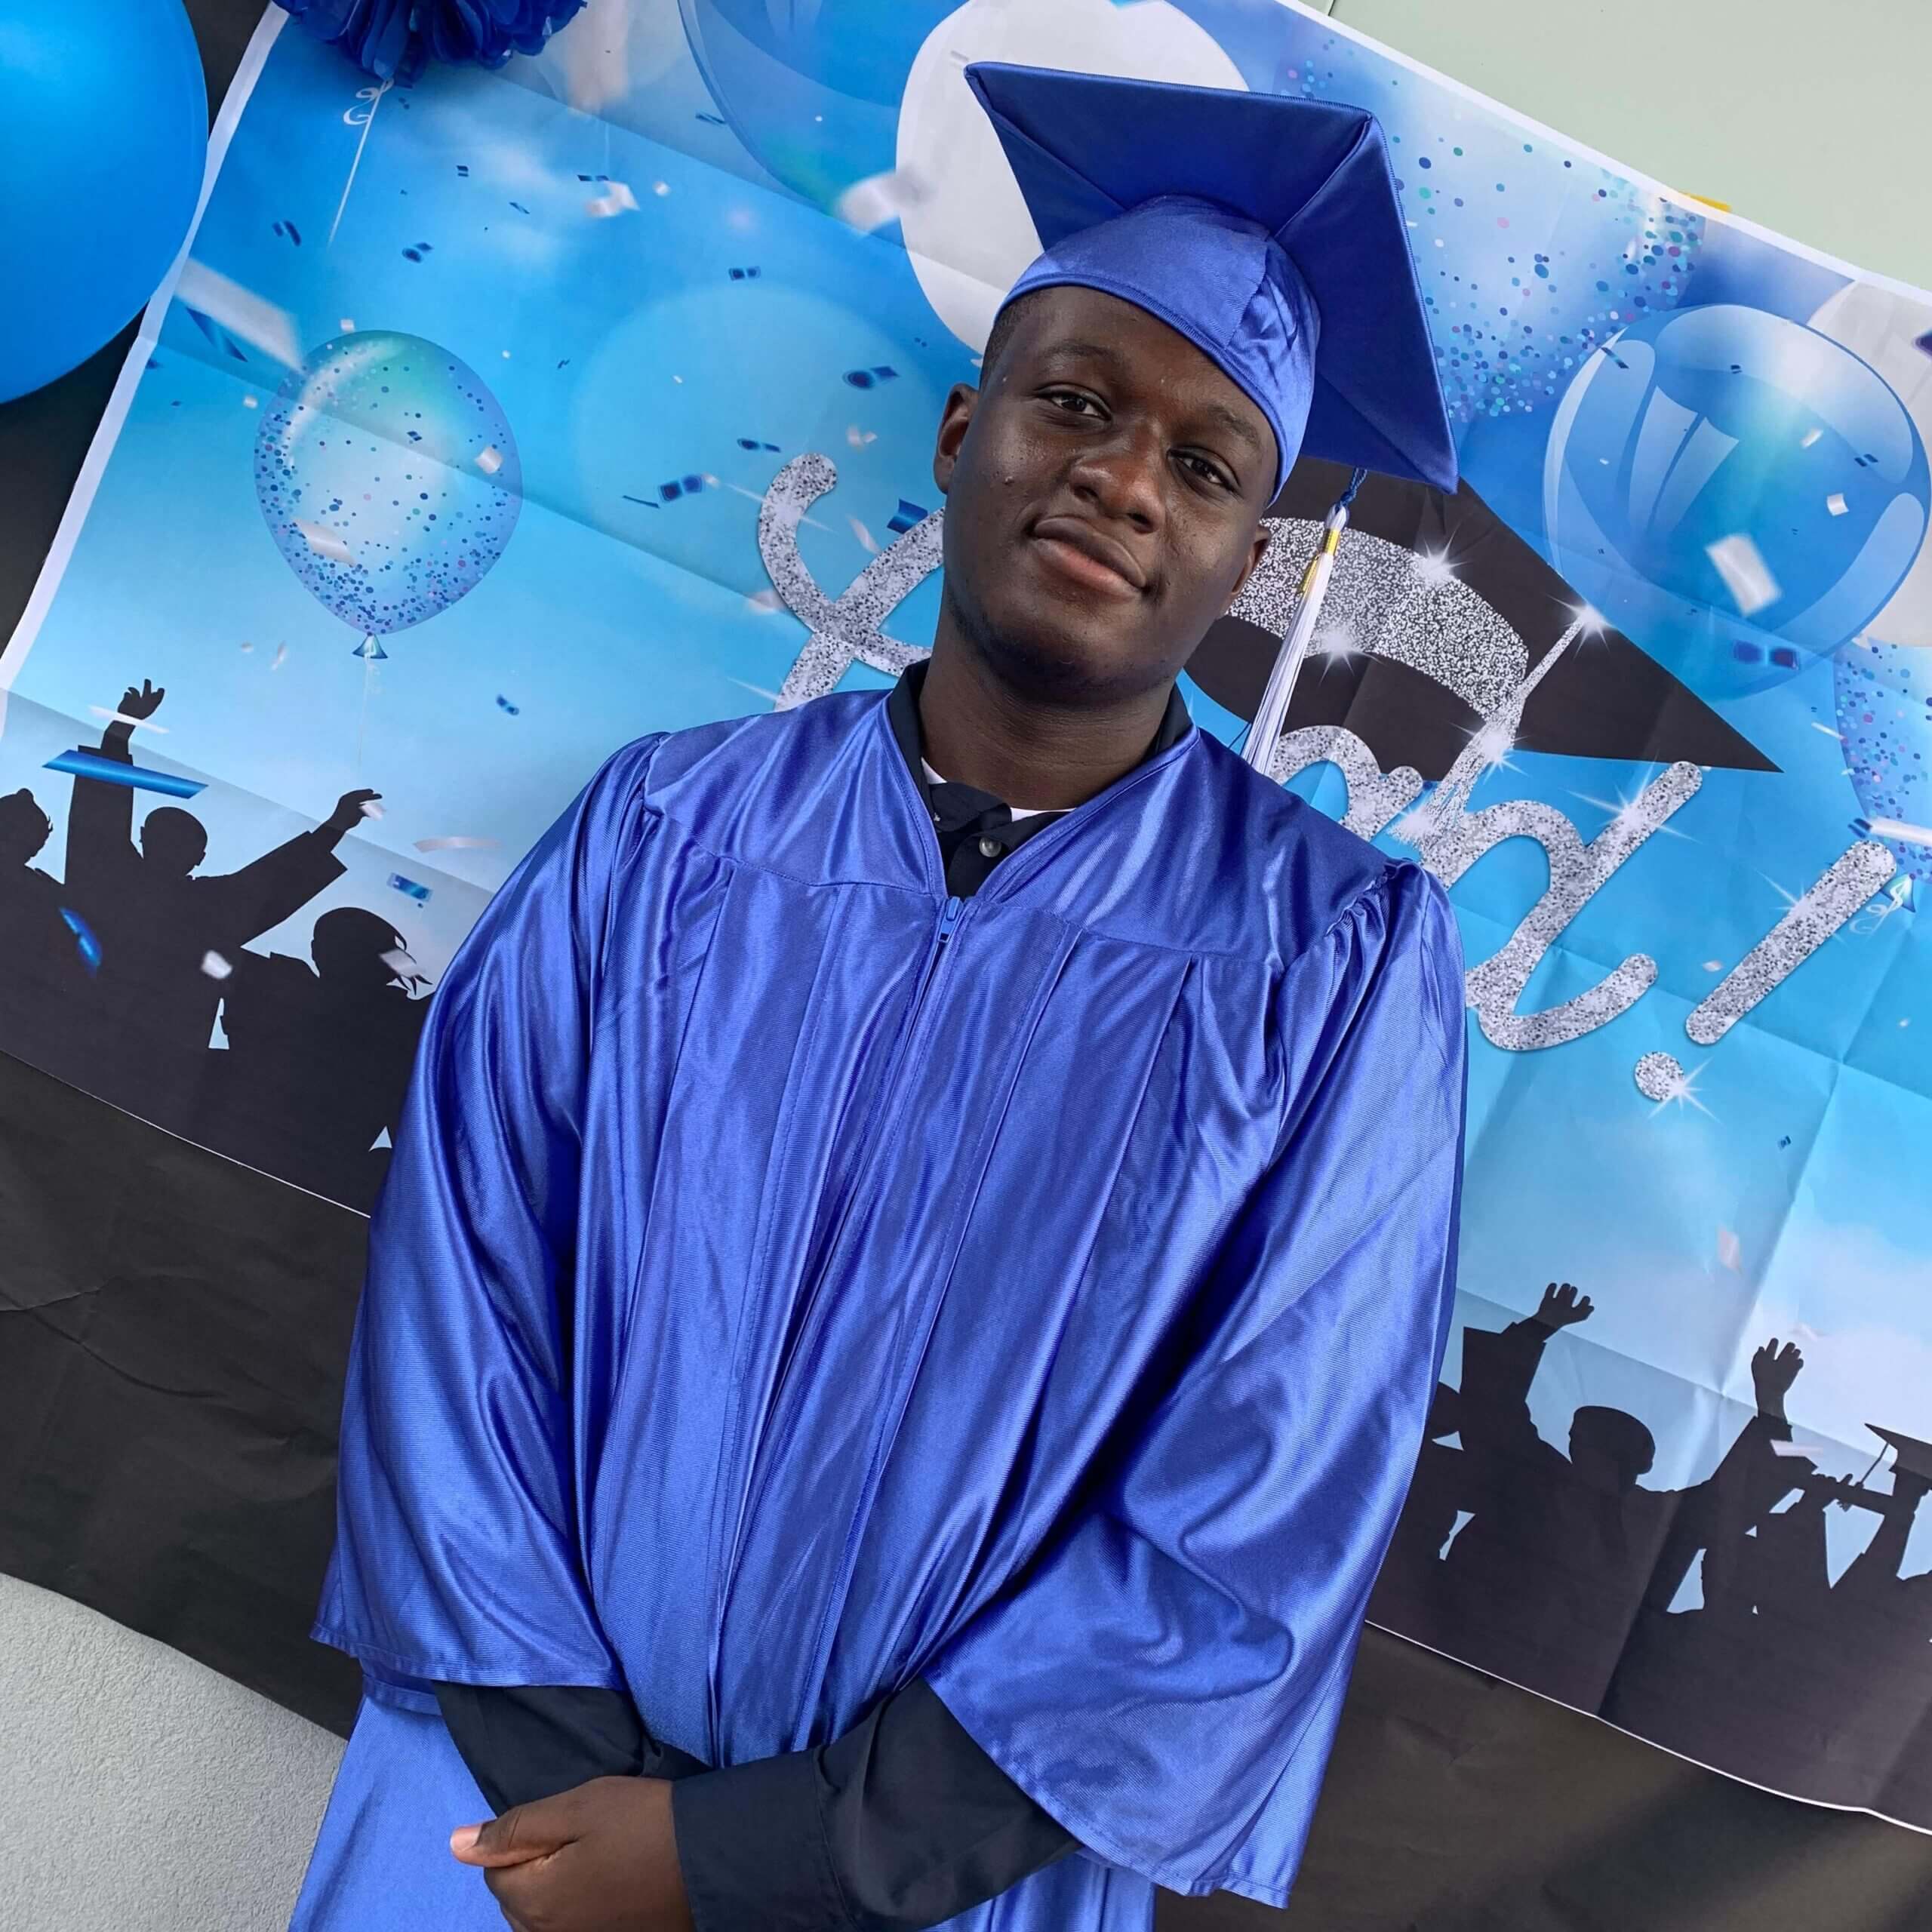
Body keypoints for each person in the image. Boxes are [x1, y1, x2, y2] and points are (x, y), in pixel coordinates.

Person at [290, 62, 1468, 1932]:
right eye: (1072, 400)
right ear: (956, 430)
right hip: (507, 1819)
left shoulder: (1332, 967)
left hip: (942, 1877)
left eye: (1204, 462)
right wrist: (560, 1775)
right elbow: (465, 1281)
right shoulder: (665, 828)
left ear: (1253, 561)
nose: (1117, 475)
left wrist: (765, 1859)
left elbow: (1266, 1501)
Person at [57, 678, 379, 1134]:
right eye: (163, 834)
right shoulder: (113, 877)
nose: (172, 846)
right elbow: (100, 813)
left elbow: (275, 882)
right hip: (72, 1036)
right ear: (145, 838)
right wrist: (120, 731)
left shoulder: (209, 905)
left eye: (184, 841)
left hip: (157, 1063)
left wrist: (336, 826)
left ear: (198, 857)